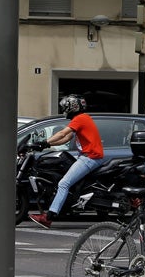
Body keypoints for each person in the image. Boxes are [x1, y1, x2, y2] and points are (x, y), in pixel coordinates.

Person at [29, 94, 104, 229]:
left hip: (90, 157)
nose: (64, 110)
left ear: (72, 107)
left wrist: (45, 141)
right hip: (88, 156)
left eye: (65, 108)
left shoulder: (80, 119)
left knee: (64, 183)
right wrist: (47, 145)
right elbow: (67, 138)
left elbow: (63, 133)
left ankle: (48, 217)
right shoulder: (83, 118)